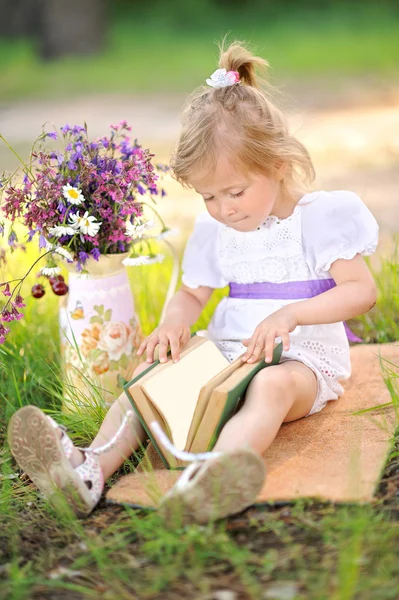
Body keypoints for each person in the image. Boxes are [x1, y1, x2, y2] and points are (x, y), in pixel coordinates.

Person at [8, 40, 379, 525]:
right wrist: (171, 325)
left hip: (304, 359)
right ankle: (91, 467)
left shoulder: (322, 218)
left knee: (270, 385)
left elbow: (361, 292)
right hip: (229, 354)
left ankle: (213, 477)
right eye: (208, 196)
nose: (224, 208)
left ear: (279, 165)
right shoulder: (217, 230)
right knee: (151, 381)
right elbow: (191, 293)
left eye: (236, 191)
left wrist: (291, 314)